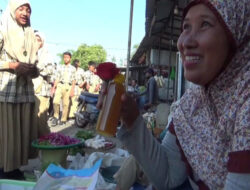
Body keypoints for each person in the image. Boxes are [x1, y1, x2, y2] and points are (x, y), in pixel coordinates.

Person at [99, 0, 250, 189]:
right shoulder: (191, 104)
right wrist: (131, 120)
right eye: (186, 26)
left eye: (205, 24)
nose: (185, 42)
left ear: (236, 34)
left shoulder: (245, 103)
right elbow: (168, 176)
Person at [0, 0, 41, 179]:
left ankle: (14, 167)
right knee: (7, 131)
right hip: (6, 89)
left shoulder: (30, 35)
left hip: (25, 90)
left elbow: (35, 64)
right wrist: (13, 65)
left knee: (20, 132)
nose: (25, 13)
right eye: (21, 9)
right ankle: (4, 169)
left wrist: (34, 70)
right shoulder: (2, 30)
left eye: (28, 10)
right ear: (11, 11)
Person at [32, 31, 53, 134]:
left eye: (39, 40)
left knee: (40, 119)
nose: (36, 42)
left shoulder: (46, 55)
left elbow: (50, 71)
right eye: (34, 39)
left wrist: (36, 68)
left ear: (42, 42)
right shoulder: (26, 53)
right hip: (28, 90)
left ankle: (46, 143)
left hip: (41, 91)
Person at [51, 52, 76, 126]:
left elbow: (74, 80)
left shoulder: (73, 68)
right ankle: (55, 117)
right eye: (64, 57)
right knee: (55, 101)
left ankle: (63, 119)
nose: (65, 59)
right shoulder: (60, 67)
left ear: (70, 58)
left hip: (68, 86)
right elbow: (57, 78)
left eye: (67, 57)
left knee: (66, 104)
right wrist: (53, 87)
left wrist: (72, 90)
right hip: (60, 85)